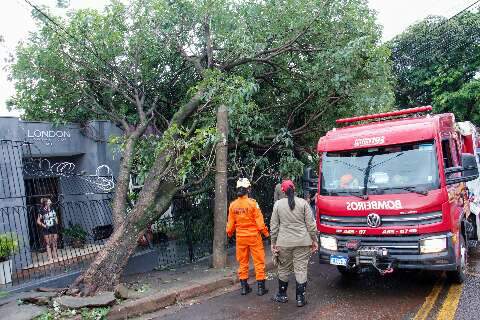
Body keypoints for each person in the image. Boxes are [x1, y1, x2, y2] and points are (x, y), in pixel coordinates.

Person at [270, 180, 318, 307]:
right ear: (295, 189)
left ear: (283, 191)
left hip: (284, 243)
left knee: (283, 268)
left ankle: (282, 295)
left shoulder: (278, 204)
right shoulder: (303, 203)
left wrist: (273, 243)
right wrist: (314, 240)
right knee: (301, 269)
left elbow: (274, 227)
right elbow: (311, 225)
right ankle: (300, 299)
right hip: (303, 242)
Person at [227, 178, 270, 296]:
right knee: (259, 261)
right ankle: (261, 288)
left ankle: (244, 288)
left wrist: (230, 234)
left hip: (240, 238)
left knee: (242, 262)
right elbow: (260, 224)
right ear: (248, 189)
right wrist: (267, 234)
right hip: (254, 237)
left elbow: (230, 225)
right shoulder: (253, 203)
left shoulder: (233, 205)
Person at [36, 198, 59, 262]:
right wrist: (45, 226)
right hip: (47, 228)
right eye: (49, 201)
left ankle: (55, 256)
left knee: (54, 242)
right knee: (48, 243)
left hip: (54, 227)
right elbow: (38, 221)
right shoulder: (42, 210)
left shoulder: (52, 209)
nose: (51, 202)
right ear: (46, 203)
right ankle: (50, 257)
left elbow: (55, 216)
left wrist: (56, 221)